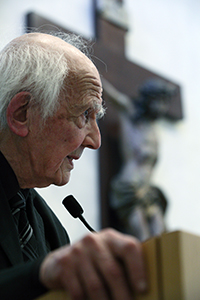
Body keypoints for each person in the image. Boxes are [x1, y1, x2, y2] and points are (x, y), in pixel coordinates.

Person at [0, 32, 147, 300]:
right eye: (84, 115)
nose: (96, 141)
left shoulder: (52, 229)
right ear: (22, 114)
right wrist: (39, 276)